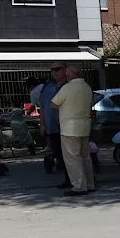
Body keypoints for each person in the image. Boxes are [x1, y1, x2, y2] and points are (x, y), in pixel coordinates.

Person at [50, 64, 96, 197]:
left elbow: (53, 104)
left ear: (69, 75)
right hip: (84, 126)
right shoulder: (87, 87)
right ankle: (90, 184)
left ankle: (79, 186)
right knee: (86, 157)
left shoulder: (67, 88)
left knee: (72, 158)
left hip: (69, 128)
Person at [39, 62, 71, 188]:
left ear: (65, 70)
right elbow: (42, 106)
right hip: (52, 126)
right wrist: (42, 124)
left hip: (68, 125)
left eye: (58, 69)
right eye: (52, 70)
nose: (54, 72)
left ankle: (72, 179)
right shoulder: (47, 87)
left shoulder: (70, 85)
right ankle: (68, 178)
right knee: (59, 154)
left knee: (71, 155)